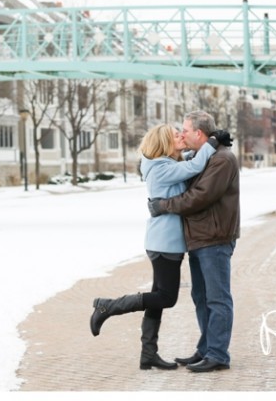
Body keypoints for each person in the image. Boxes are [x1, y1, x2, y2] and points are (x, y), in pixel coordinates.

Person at [90, 123, 219, 371]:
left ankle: (148, 354)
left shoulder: (164, 164)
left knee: (156, 299)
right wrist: (211, 145)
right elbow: (192, 166)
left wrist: (202, 147)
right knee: (166, 298)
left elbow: (187, 162)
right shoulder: (160, 168)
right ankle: (108, 306)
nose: (181, 136)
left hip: (164, 240)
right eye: (176, 135)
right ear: (164, 142)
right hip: (164, 242)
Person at [148, 111, 240, 373]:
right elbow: (180, 166)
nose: (182, 134)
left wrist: (163, 206)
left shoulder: (222, 160)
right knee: (201, 296)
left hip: (214, 238)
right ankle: (206, 348)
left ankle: (218, 354)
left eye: (185, 130)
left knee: (217, 298)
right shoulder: (207, 156)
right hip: (199, 239)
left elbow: (198, 197)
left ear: (199, 133)